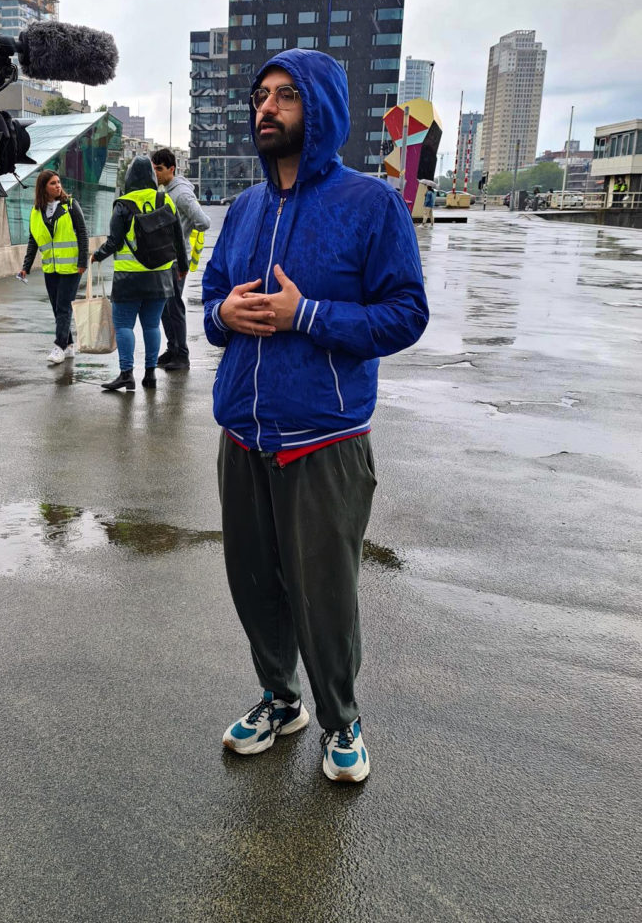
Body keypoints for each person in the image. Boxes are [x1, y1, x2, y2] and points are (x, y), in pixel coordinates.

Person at [202, 50, 428, 782]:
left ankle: (341, 719)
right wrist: (221, 312)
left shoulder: (371, 205)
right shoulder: (242, 208)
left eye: (286, 97)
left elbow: (405, 314)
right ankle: (280, 698)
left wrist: (310, 314)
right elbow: (209, 295)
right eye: (261, 96)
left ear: (322, 110)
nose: (267, 109)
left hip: (324, 439)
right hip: (242, 432)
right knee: (254, 584)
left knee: (324, 592)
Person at [92, 155, 188, 391]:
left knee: (124, 325)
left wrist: (97, 255)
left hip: (129, 278)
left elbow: (114, 242)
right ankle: (150, 375)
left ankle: (126, 374)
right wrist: (183, 267)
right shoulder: (164, 199)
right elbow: (178, 238)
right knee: (152, 326)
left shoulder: (123, 204)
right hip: (161, 277)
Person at [17, 169, 88, 363]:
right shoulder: (36, 211)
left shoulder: (71, 205)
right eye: (53, 183)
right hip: (51, 268)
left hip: (72, 267)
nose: (58, 186)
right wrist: (26, 267)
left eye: (58, 182)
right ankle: (70, 345)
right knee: (57, 308)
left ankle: (59, 347)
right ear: (43, 188)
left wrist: (82, 262)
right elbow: (33, 241)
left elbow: (82, 233)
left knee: (64, 307)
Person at [151, 148, 211, 371]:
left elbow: (204, 222)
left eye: (159, 169)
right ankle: (172, 349)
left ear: (171, 169)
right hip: (165, 259)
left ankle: (182, 355)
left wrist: (184, 231)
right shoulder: (166, 190)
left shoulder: (182, 194)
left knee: (174, 306)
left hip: (176, 260)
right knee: (166, 306)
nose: (156, 173)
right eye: (154, 168)